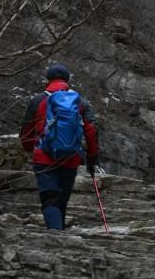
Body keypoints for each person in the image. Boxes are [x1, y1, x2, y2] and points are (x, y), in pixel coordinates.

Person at [19, 63, 99, 230]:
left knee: (50, 199)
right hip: (70, 158)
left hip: (44, 158)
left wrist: (29, 151)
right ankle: (60, 234)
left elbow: (26, 131)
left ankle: (56, 236)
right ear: (68, 80)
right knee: (62, 200)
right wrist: (92, 157)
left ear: (47, 80)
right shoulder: (81, 102)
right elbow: (91, 130)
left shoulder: (38, 101)